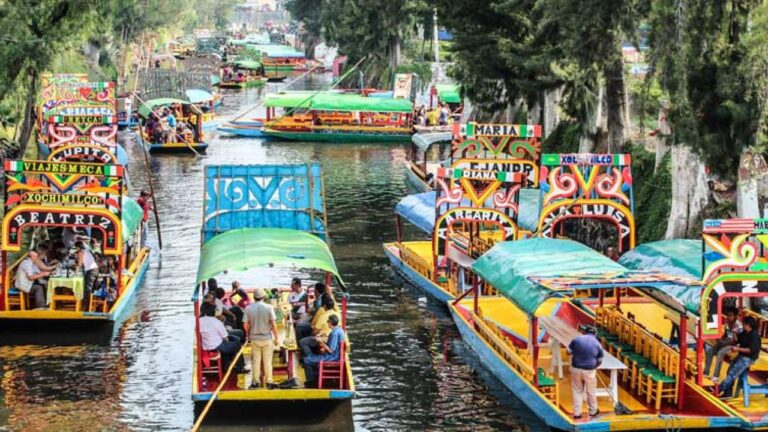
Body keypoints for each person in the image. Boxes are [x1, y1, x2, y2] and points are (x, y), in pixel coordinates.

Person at [716, 316, 761, 399]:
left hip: (749, 358)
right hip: (741, 355)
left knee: (732, 374)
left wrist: (737, 349)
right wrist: (734, 333)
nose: (742, 325)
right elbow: (736, 340)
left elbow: (751, 350)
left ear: (747, 324)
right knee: (729, 371)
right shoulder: (745, 332)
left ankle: (719, 388)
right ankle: (728, 392)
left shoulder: (754, 335)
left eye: (743, 324)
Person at [244, 288, 279, 389]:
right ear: (264, 297)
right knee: (267, 362)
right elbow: (273, 325)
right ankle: (269, 381)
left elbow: (246, 325)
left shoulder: (248, 308)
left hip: (255, 339)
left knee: (256, 361)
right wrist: (276, 338)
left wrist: (248, 334)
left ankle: (255, 382)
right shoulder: (269, 307)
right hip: (267, 338)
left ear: (254, 297)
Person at [199, 302, 247, 373]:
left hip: (206, 345)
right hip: (216, 345)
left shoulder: (199, 321)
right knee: (237, 345)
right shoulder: (216, 322)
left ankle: (227, 365)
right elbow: (225, 338)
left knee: (234, 339)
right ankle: (240, 367)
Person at [567, 326, 603, 419]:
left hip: (576, 368)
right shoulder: (598, 344)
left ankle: (577, 413)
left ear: (584, 332)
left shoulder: (576, 339)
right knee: (591, 391)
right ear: (595, 334)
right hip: (590, 370)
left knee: (577, 390)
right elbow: (600, 360)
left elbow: (568, 352)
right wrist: (595, 366)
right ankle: (593, 411)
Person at [303, 314, 345, 388]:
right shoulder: (339, 330)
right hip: (336, 355)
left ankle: (311, 382)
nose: (327, 323)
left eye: (328, 321)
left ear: (330, 322)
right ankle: (314, 378)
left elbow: (331, 350)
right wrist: (324, 337)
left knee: (307, 360)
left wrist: (321, 341)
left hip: (332, 357)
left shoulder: (334, 333)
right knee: (311, 357)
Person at [704, 306, 740, 381]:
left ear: (735, 316)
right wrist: (719, 339)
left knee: (720, 353)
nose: (728, 317)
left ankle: (716, 376)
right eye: (727, 315)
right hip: (726, 342)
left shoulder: (738, 326)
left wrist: (724, 342)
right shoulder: (727, 323)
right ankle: (706, 372)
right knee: (710, 350)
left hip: (735, 345)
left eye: (730, 316)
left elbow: (736, 340)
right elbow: (726, 335)